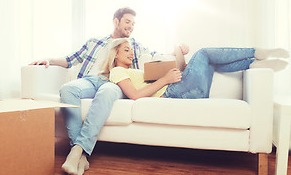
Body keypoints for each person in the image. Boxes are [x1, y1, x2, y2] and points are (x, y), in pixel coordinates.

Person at [30, 7, 181, 175]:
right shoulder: (95, 42)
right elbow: (69, 59)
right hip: (90, 80)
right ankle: (80, 153)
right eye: (127, 22)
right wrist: (49, 59)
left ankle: (78, 151)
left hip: (115, 82)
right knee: (67, 89)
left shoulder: (134, 46)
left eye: (133, 23)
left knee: (106, 92)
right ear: (116, 21)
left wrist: (177, 51)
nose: (131, 27)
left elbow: (156, 56)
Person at [105, 38, 289, 100]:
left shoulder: (137, 69)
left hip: (186, 89)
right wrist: (165, 80)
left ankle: (253, 64)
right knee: (203, 53)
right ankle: (256, 52)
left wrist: (179, 58)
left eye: (131, 49)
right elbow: (135, 96)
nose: (131, 53)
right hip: (173, 92)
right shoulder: (117, 71)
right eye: (126, 50)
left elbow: (175, 71)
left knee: (210, 61)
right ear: (115, 55)